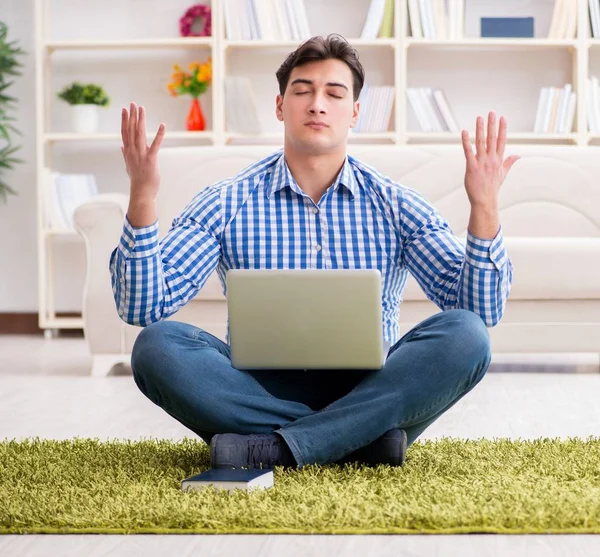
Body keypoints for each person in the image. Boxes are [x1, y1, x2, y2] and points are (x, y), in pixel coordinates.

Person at [111, 34, 518, 471]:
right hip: (253, 390)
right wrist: (142, 197)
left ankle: (274, 447)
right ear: (280, 107)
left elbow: (479, 311)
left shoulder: (397, 203)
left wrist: (484, 206)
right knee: (156, 347)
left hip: (372, 387)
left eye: (333, 93)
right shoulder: (226, 201)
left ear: (355, 112)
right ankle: (360, 443)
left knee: (467, 335)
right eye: (302, 91)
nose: (317, 104)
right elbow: (143, 307)